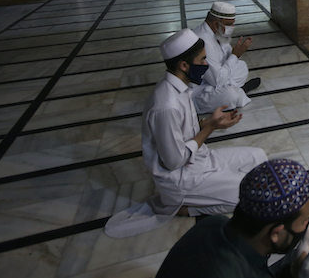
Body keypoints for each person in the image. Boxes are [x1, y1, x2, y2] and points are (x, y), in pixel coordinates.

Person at [104, 29, 267, 238]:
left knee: (259, 157)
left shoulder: (182, 88)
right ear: (184, 65)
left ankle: (211, 191)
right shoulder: (166, 105)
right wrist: (209, 128)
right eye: (203, 60)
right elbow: (173, 161)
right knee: (251, 195)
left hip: (201, 159)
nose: (206, 65)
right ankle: (183, 206)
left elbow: (185, 130)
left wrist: (208, 122)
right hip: (182, 178)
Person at [156, 159, 309, 278]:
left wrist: (294, 270)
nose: (306, 226)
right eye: (304, 221)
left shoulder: (213, 223)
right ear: (276, 233)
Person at [191, 1, 261, 114]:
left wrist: (237, 52)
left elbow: (227, 56)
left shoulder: (216, 32)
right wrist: (235, 55)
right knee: (230, 95)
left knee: (241, 66)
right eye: (229, 24)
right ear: (215, 24)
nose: (232, 27)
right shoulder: (203, 40)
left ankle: (234, 89)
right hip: (200, 88)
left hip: (214, 77)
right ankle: (241, 91)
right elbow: (217, 80)